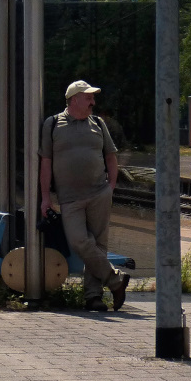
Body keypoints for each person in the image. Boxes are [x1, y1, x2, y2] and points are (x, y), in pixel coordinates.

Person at [39, 79, 129, 313]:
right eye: (88, 97)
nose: (93, 102)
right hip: (70, 199)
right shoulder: (53, 124)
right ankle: (115, 280)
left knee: (98, 245)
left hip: (99, 193)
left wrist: (110, 186)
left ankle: (93, 297)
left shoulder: (98, 123)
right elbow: (46, 163)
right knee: (79, 241)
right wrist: (45, 198)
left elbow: (111, 156)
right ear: (74, 99)